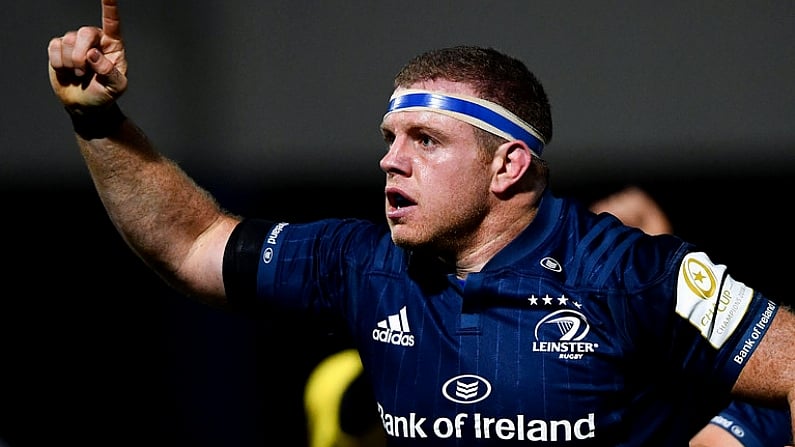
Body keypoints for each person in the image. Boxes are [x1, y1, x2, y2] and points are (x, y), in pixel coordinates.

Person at [47, 1, 795, 445]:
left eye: (425, 141)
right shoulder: (360, 263)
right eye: (388, 139)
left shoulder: (627, 274)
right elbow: (191, 243)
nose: (389, 162)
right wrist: (100, 123)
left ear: (506, 167)